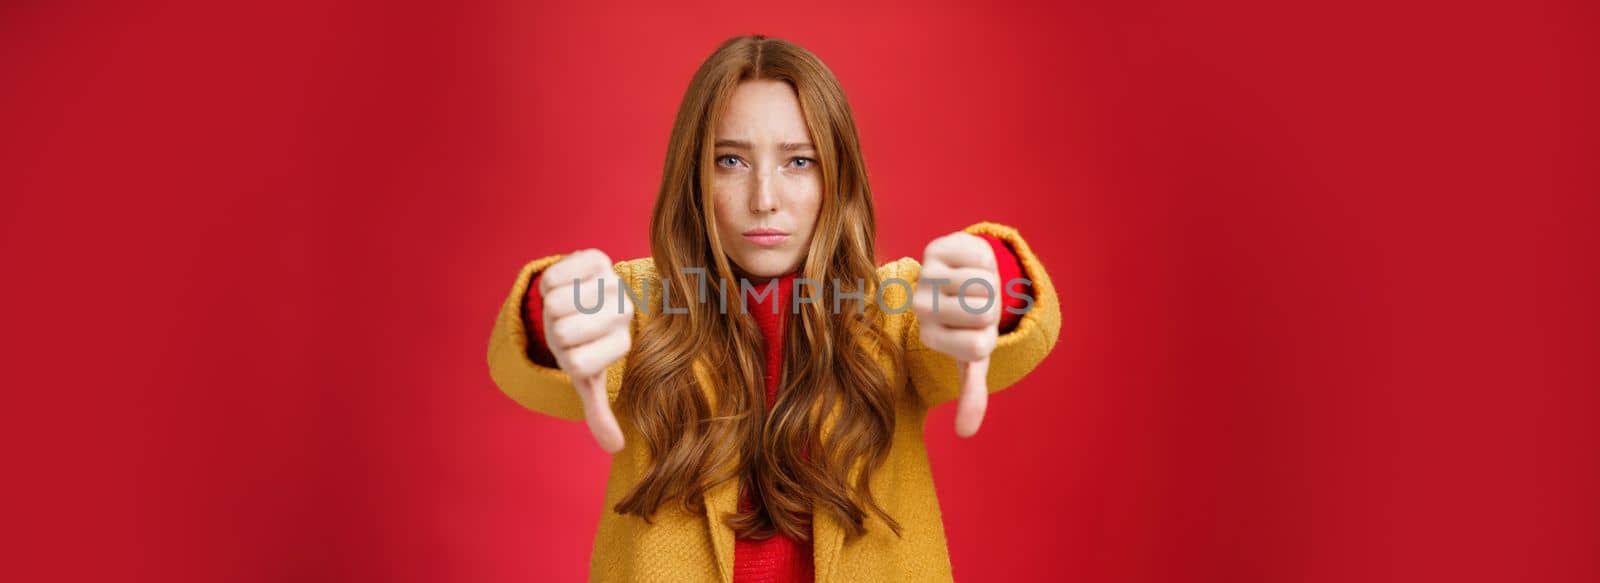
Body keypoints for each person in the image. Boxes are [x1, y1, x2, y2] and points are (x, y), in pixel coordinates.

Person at [487, 34, 1061, 582]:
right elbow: (531, 366)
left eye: (799, 161)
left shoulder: (896, 306)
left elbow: (1008, 333)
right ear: (694, 176)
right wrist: (549, 317)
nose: (765, 199)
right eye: (731, 161)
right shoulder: (637, 304)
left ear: (839, 177)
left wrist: (992, 288)